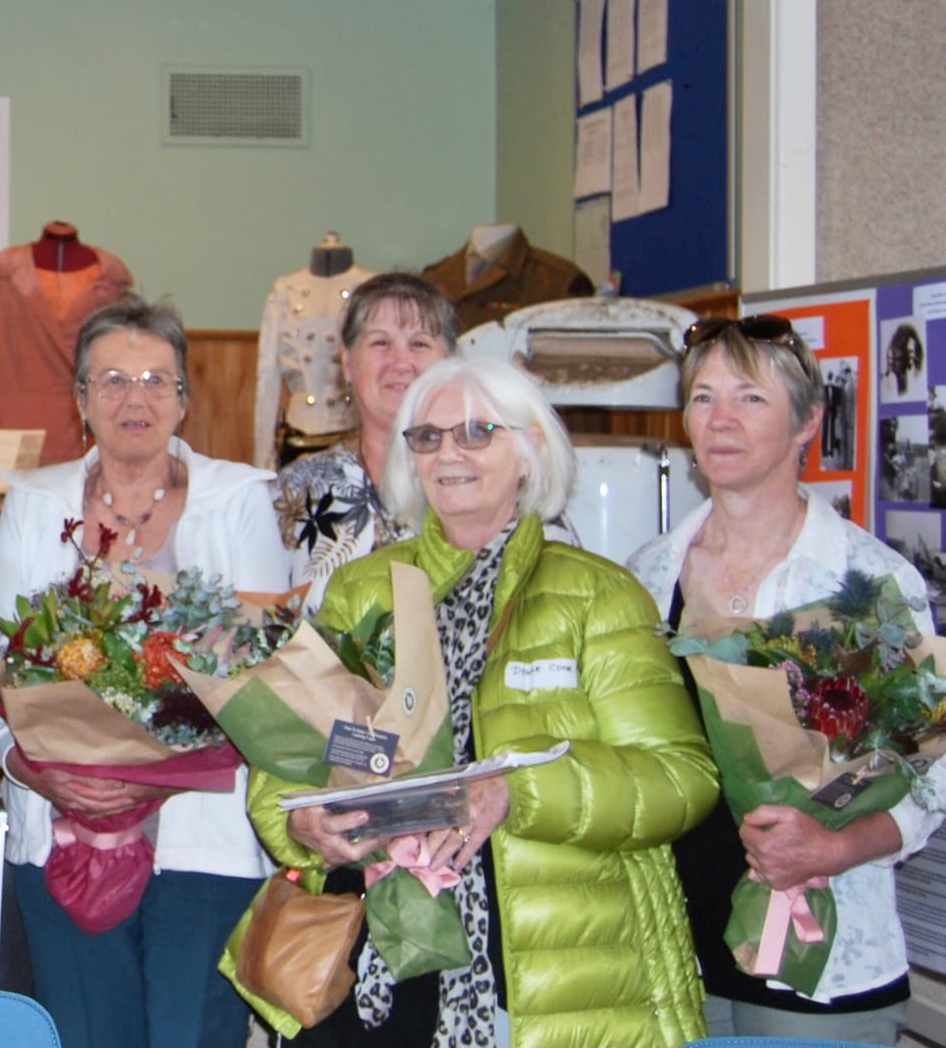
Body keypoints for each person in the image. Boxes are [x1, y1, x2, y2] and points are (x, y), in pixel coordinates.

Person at [263, 356, 718, 1047]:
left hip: (559, 970)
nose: (449, 453)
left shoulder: (600, 593)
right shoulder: (360, 592)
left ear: (531, 449)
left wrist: (520, 790)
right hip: (380, 962)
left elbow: (680, 778)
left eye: (477, 432)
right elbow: (284, 758)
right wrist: (303, 827)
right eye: (427, 437)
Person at [0, 295, 288, 1048]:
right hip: (63, 827)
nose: (135, 399)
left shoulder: (240, 500)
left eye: (157, 380)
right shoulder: (33, 501)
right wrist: (30, 766)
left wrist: (156, 774)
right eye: (112, 380)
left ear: (185, 399)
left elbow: (262, 676)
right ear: (82, 399)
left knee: (193, 1035)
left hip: (204, 840)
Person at [628, 315, 940, 1044]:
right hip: (673, 961)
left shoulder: (865, 579)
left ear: (809, 422)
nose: (721, 420)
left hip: (819, 967)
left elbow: (933, 769)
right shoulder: (648, 571)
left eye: (751, 398)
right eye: (703, 398)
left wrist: (836, 845)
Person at [272, 272, 459, 607]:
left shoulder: (484, 482)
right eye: (380, 343)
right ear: (346, 363)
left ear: (450, 363)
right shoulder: (295, 491)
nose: (401, 362)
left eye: (419, 343)